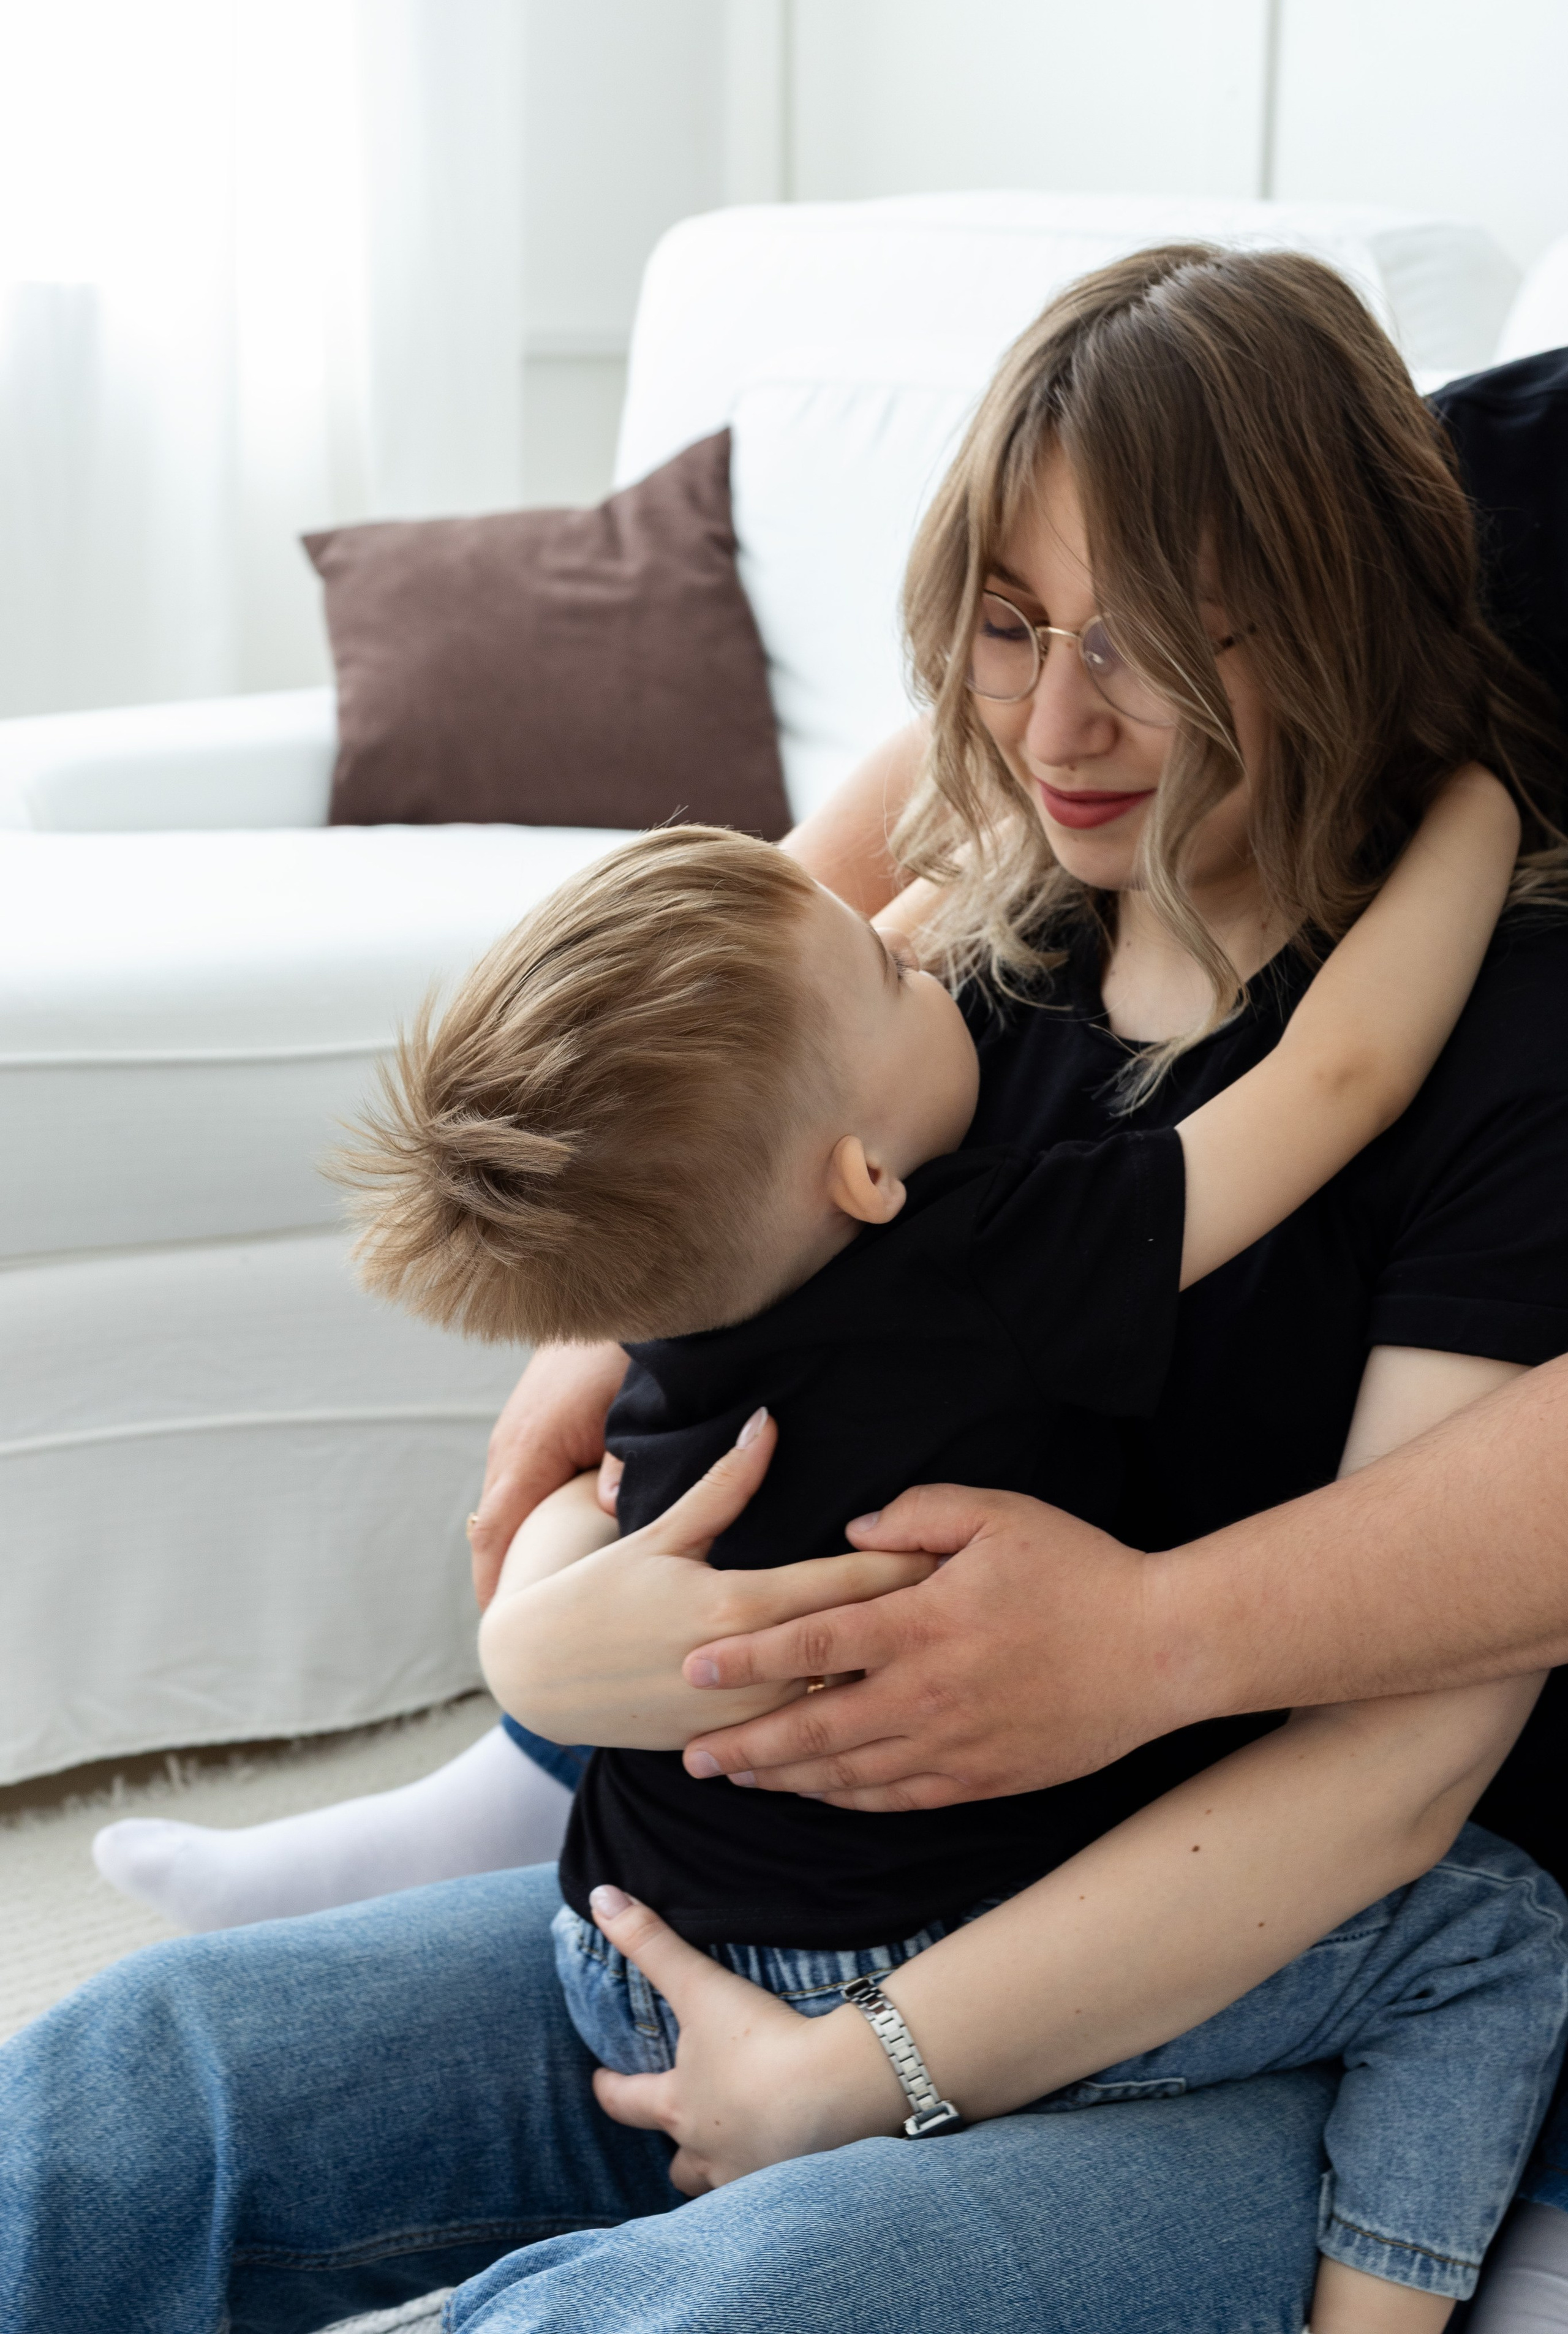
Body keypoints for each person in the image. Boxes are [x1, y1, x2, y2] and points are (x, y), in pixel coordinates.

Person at [11, 240, 1568, 2333]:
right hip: (741, 1928)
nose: (1063, 722)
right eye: (1012, 634)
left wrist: (860, 2072)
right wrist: (565, 1639)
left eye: (1162, 647)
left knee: (715, 2306)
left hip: (1207, 2009)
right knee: (131, 2080)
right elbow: (675, 1398)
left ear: (1331, 615)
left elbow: (1396, 1773)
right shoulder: (938, 985)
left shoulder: (1501, 1042)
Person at [323, 783, 1564, 2334]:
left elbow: (590, 1516)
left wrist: (535, 1633)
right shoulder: (989, 1260)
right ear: (853, 1170)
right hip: (897, 1955)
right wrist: (1474, 804)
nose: (932, 951)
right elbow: (1344, 1070)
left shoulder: (672, 1288)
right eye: (894, 972)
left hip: (630, 1944)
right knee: (1489, 1937)